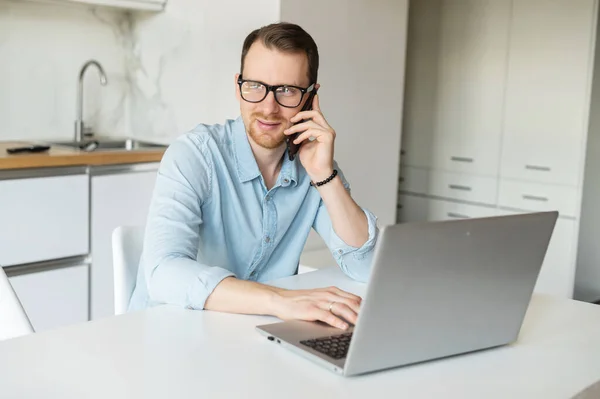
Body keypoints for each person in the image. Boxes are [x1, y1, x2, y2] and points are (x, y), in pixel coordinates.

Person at [128, 22, 379, 330]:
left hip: (250, 337)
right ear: (238, 87)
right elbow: (164, 273)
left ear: (311, 96)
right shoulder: (194, 155)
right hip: (168, 334)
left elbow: (366, 265)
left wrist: (324, 175)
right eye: (255, 86)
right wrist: (279, 300)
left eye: (287, 90)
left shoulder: (315, 165)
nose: (268, 107)